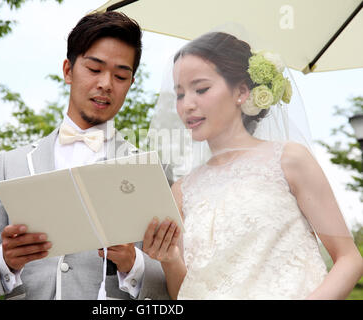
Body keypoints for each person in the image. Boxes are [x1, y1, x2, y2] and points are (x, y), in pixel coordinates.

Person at [0, 11, 171, 300]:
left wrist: (132, 263)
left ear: (131, 83)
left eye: (120, 75)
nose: (106, 84)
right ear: (68, 71)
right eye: (94, 69)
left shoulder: (150, 170)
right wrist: (4, 260)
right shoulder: (11, 164)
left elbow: (175, 286)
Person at [142, 31, 363, 299]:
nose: (187, 104)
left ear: (242, 92)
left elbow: (349, 260)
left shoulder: (288, 160)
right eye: (179, 94)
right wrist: (170, 259)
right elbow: (183, 294)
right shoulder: (181, 190)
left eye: (201, 89)